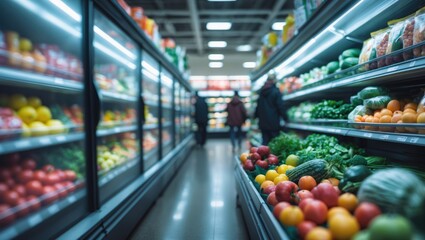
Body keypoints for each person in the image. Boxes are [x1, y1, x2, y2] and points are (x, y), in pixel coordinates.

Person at [254, 74, 287, 145]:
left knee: (265, 143)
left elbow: (258, 107)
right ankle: (272, 156)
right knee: (275, 143)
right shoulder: (276, 91)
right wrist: (285, 118)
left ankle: (265, 156)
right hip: (273, 122)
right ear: (274, 81)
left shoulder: (261, 92)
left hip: (263, 122)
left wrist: (256, 117)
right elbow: (280, 106)